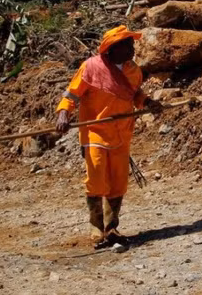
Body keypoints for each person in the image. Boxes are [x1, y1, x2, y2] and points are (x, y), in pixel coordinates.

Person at [55, 25, 162, 249]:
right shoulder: (91, 67)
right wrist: (64, 113)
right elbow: (72, 94)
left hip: (121, 131)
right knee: (96, 174)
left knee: (118, 180)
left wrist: (148, 103)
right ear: (112, 48)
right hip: (94, 130)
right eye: (127, 44)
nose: (132, 48)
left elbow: (135, 95)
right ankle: (96, 225)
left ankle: (111, 226)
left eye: (131, 43)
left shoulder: (133, 70)